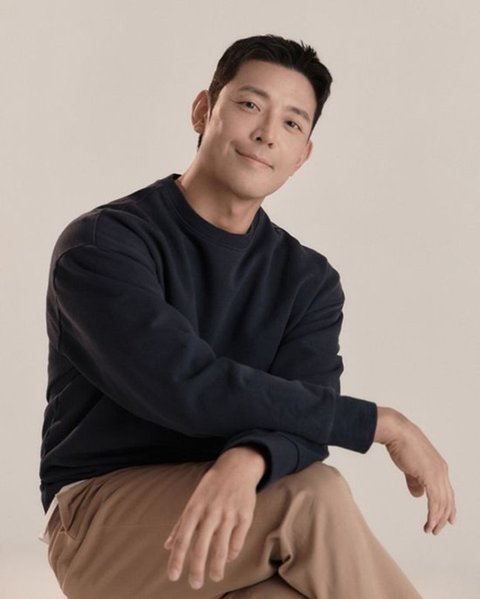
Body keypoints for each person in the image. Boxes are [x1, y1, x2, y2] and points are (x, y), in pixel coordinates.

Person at [39, 34, 456, 598]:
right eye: (251, 104)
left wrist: (248, 458)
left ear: (303, 154)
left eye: (292, 122)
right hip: (98, 520)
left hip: (238, 512)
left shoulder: (308, 280)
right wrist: (381, 424)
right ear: (203, 110)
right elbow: (186, 387)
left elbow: (304, 421)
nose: (266, 133)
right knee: (314, 497)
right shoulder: (104, 245)